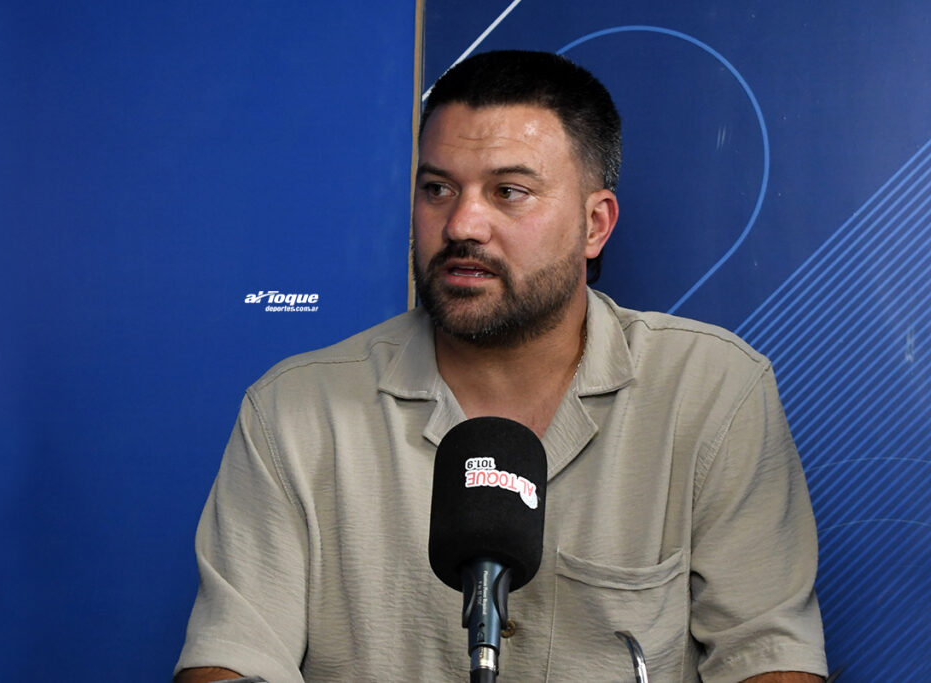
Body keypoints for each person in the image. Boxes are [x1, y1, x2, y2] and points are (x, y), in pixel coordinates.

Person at [175, 50, 827, 682]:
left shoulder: (711, 392)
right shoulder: (294, 411)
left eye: (508, 191)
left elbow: (767, 657)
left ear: (595, 224)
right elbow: (233, 658)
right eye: (437, 189)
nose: (462, 223)